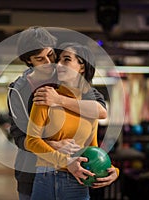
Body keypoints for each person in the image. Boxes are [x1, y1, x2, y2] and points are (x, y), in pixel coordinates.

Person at [8, 26, 109, 200]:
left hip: (71, 175)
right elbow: (19, 136)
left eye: (50, 55)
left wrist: (58, 100)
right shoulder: (17, 91)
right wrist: (53, 144)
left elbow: (99, 108)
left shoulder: (65, 76)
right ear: (29, 61)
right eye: (40, 59)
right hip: (31, 173)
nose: (49, 62)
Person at [25, 42, 119, 200]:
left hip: (78, 183)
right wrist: (66, 162)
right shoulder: (45, 96)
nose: (59, 64)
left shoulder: (89, 108)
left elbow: (92, 149)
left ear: (82, 67)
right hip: (47, 178)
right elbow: (31, 141)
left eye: (66, 59)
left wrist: (112, 170)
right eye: (59, 60)